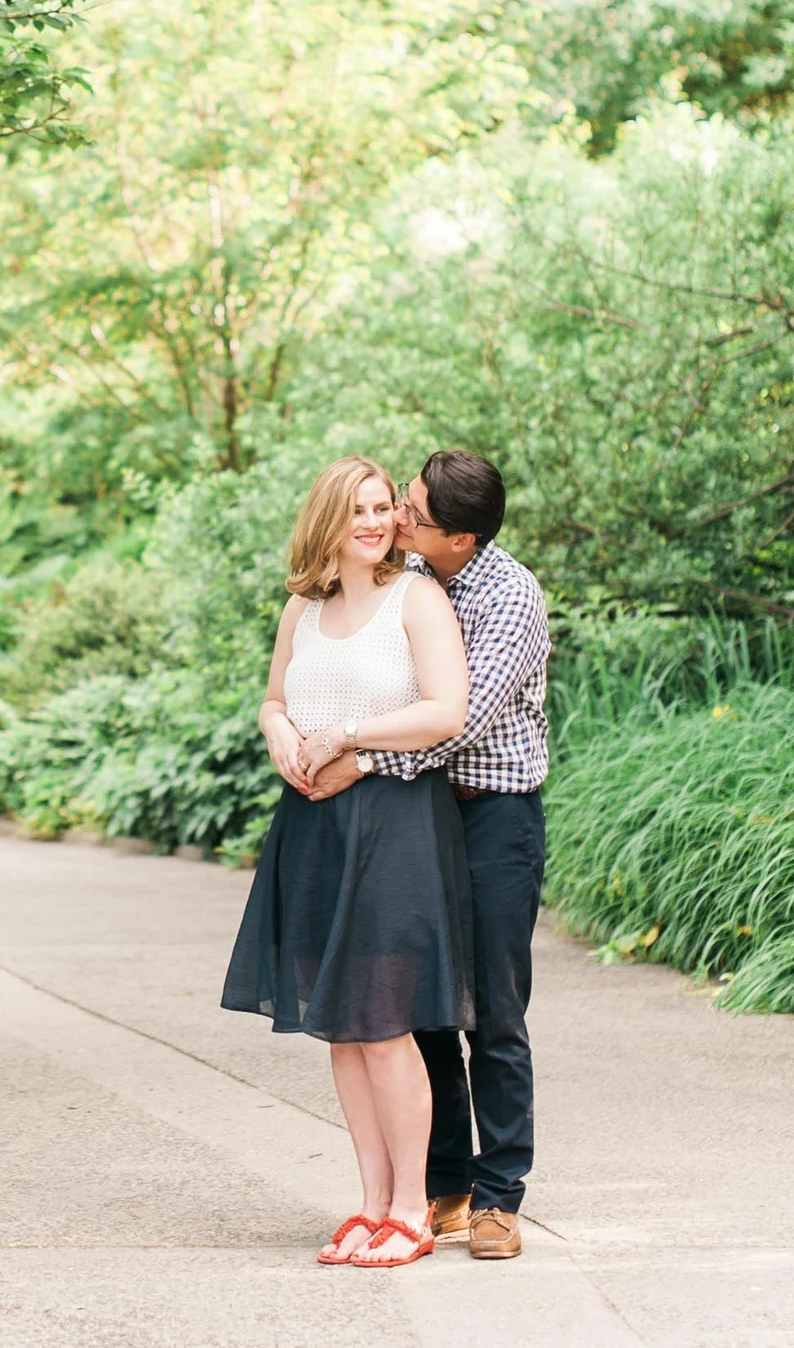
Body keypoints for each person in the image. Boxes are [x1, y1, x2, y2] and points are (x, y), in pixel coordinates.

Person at [221, 456, 475, 1270]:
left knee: (386, 1021)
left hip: (393, 823)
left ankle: (413, 1210)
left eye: (381, 507)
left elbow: (445, 709)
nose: (374, 521)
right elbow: (273, 697)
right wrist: (277, 731)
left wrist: (345, 736)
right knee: (339, 1024)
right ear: (327, 519)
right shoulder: (304, 604)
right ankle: (370, 1202)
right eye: (357, 509)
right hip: (312, 825)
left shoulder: (418, 596)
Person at [300, 449, 550, 1260]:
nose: (398, 520)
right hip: (424, 815)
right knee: (426, 1003)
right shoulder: (416, 574)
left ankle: (500, 1195)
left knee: (497, 1014)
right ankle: (444, 1183)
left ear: (463, 537)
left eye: (415, 515)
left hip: (494, 816)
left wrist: (362, 760)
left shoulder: (508, 596)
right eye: (399, 503)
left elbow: (459, 719)